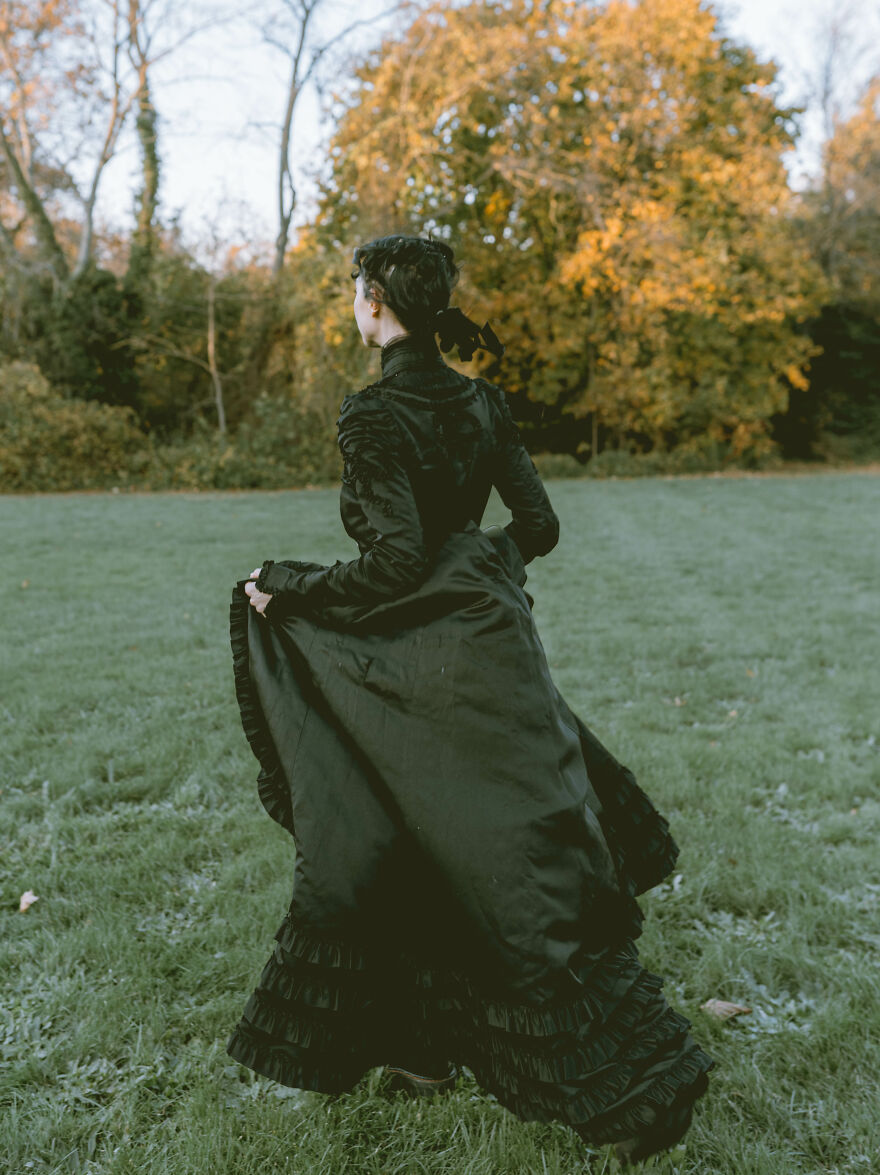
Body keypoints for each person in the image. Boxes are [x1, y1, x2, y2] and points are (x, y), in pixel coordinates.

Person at [228, 234, 712, 1164]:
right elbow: (538, 526)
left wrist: (283, 582)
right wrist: (484, 571)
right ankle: (419, 1049)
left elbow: (397, 561)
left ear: (374, 302)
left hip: (416, 666)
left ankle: (630, 1090)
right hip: (494, 654)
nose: (354, 303)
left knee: (441, 844)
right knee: (513, 846)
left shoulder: (371, 416)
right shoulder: (482, 402)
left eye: (355, 292)